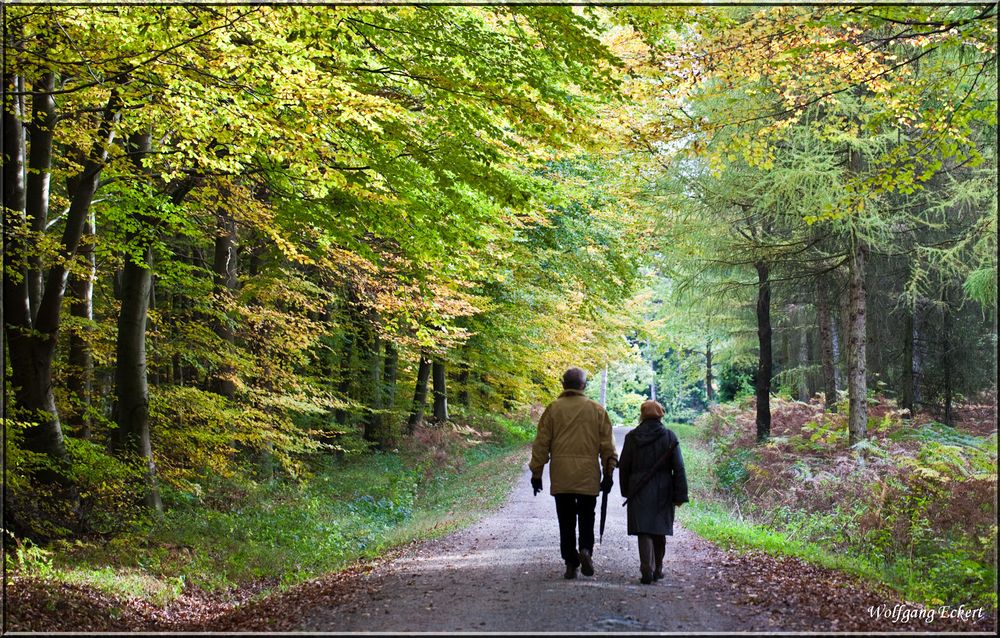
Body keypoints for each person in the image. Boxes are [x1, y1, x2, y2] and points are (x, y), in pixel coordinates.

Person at [529, 367, 618, 580]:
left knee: (566, 520)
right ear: (583, 385)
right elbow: (607, 445)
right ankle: (586, 550)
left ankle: (571, 563)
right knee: (587, 516)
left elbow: (542, 443)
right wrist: (609, 472)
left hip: (562, 475)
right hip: (588, 475)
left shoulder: (553, 409)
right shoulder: (597, 410)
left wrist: (537, 473)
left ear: (563, 384)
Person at [618, 400, 689, 584]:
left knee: (644, 529)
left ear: (642, 415)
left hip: (638, 487)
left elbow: (624, 466)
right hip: (663, 488)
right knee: (659, 529)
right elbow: (679, 468)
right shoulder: (669, 437)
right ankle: (658, 568)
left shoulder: (632, 437)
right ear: (661, 415)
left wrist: (626, 490)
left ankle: (646, 569)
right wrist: (680, 495)